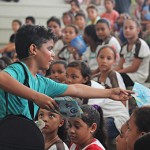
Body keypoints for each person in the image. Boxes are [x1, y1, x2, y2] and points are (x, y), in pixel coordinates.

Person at [0, 25, 133, 120]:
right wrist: (36, 96)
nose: (53, 54)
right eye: (49, 48)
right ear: (33, 49)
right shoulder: (18, 69)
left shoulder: (41, 82)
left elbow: (76, 89)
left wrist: (109, 93)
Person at [66, 60, 129, 149]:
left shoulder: (94, 89)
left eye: (74, 77)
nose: (68, 80)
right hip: (100, 117)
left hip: (116, 118)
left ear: (85, 79)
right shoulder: (74, 89)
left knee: (83, 129)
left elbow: (88, 116)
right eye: (67, 76)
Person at [115, 18, 150, 87]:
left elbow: (134, 68)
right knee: (108, 75)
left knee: (113, 77)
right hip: (126, 73)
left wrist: (116, 73)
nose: (127, 30)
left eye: (131, 28)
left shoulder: (140, 45)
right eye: (125, 28)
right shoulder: (124, 46)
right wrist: (109, 71)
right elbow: (120, 65)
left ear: (138, 30)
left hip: (137, 76)